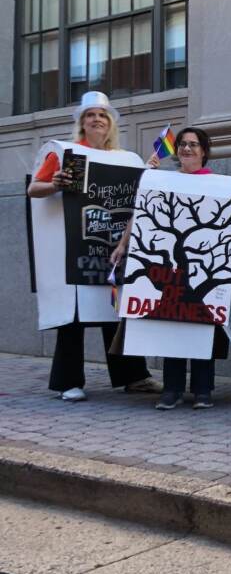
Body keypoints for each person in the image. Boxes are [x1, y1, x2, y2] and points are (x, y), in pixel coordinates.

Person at [112, 127, 231, 410]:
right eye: (183, 144)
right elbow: (140, 215)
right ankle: (172, 390)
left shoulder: (221, 185)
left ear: (204, 151)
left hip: (203, 268)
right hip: (169, 268)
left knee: (201, 329)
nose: (187, 149)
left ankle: (203, 390)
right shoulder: (161, 179)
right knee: (171, 326)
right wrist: (123, 244)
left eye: (193, 144)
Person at [26, 91, 161, 401]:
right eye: (90, 115)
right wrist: (55, 184)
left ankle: (133, 376)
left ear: (110, 124)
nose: (97, 119)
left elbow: (137, 197)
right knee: (75, 317)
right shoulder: (65, 154)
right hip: (77, 249)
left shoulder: (126, 159)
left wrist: (148, 173)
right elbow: (34, 188)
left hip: (114, 249)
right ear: (82, 123)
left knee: (116, 311)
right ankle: (67, 381)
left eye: (102, 115)